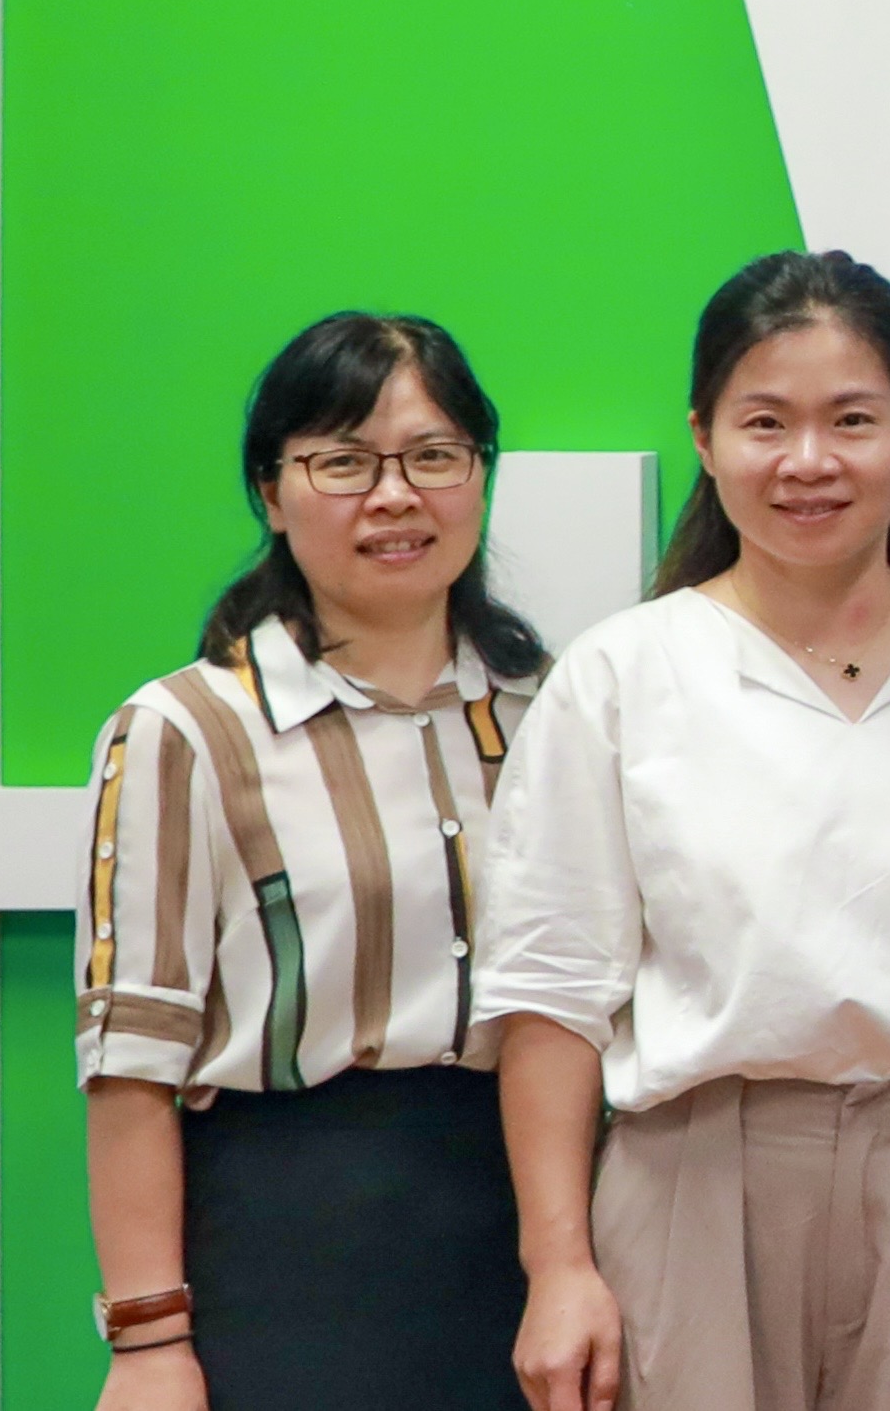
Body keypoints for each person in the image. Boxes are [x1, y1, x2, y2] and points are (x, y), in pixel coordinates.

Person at [480, 250, 890, 1411]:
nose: (809, 460)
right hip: (689, 1176)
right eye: (765, 421)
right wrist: (557, 1267)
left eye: (852, 418)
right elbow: (551, 994)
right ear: (704, 438)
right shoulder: (623, 672)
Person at [74, 313, 552, 1411]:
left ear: (481, 474)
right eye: (343, 462)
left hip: (533, 1240)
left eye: (434, 455)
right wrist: (148, 1343)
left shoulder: (554, 714)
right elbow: (132, 1058)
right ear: (271, 490)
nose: (395, 496)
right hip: (293, 1254)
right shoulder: (187, 729)